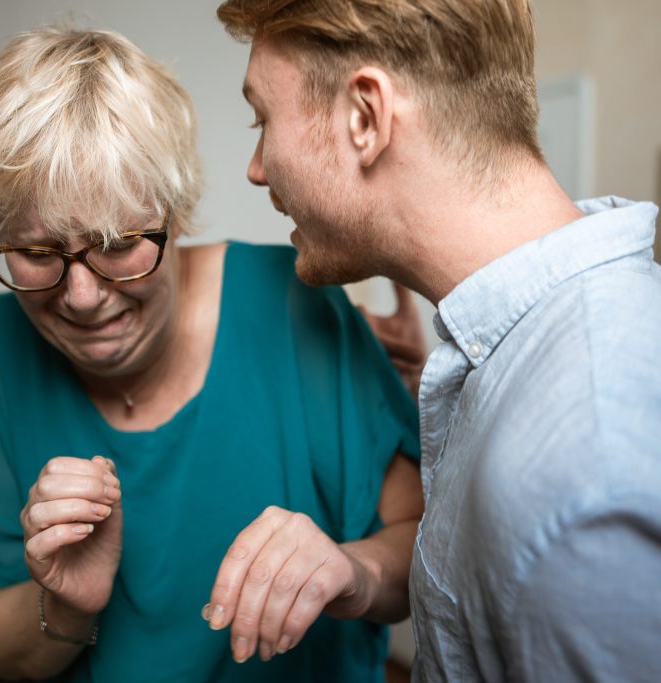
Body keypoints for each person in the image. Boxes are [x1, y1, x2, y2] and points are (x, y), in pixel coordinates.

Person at [0, 25, 424, 682]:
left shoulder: (295, 304)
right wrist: (68, 604)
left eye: (116, 244)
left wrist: (354, 571)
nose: (81, 296)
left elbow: (421, 547)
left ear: (175, 209)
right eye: (37, 253)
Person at [216, 1, 661, 680]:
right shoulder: (523, 356)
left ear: (364, 118)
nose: (256, 166)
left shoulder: (583, 475)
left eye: (263, 120)